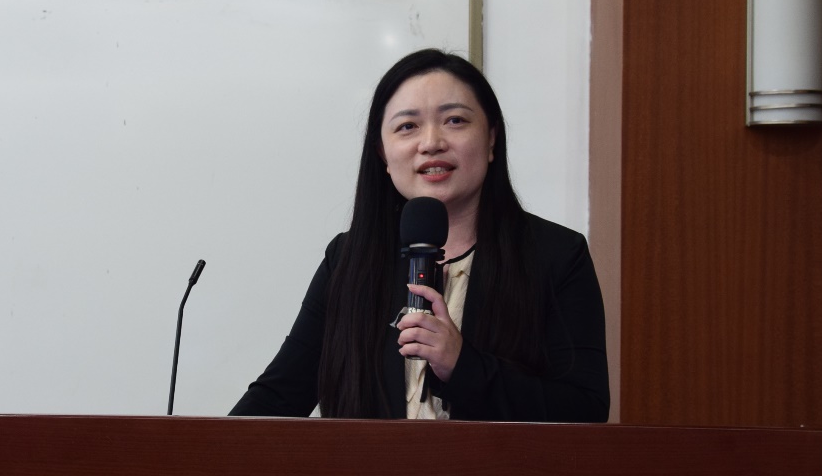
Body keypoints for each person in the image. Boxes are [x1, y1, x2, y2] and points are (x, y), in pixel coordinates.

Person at [230, 49, 609, 422]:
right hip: (368, 467)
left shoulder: (556, 255)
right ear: (382, 153)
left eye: (455, 120)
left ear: (491, 139)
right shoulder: (348, 260)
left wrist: (463, 365)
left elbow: (585, 412)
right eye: (407, 126)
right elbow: (279, 397)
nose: (431, 143)